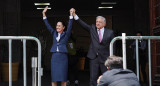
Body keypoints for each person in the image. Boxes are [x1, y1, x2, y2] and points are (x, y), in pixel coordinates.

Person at [71, 8, 115, 86]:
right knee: (93, 78)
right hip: (93, 57)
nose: (97, 23)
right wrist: (74, 15)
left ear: (104, 24)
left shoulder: (110, 32)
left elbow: (113, 46)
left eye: (100, 22)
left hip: (105, 58)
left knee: (106, 77)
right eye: (97, 21)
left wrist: (111, 58)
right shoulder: (92, 29)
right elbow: (83, 24)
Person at [42, 6, 73, 86]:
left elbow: (70, 27)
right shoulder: (54, 33)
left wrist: (71, 15)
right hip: (55, 57)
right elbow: (48, 26)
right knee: (54, 78)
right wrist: (44, 14)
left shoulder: (66, 35)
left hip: (63, 58)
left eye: (59, 26)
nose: (57, 27)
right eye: (57, 25)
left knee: (63, 78)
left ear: (63, 27)